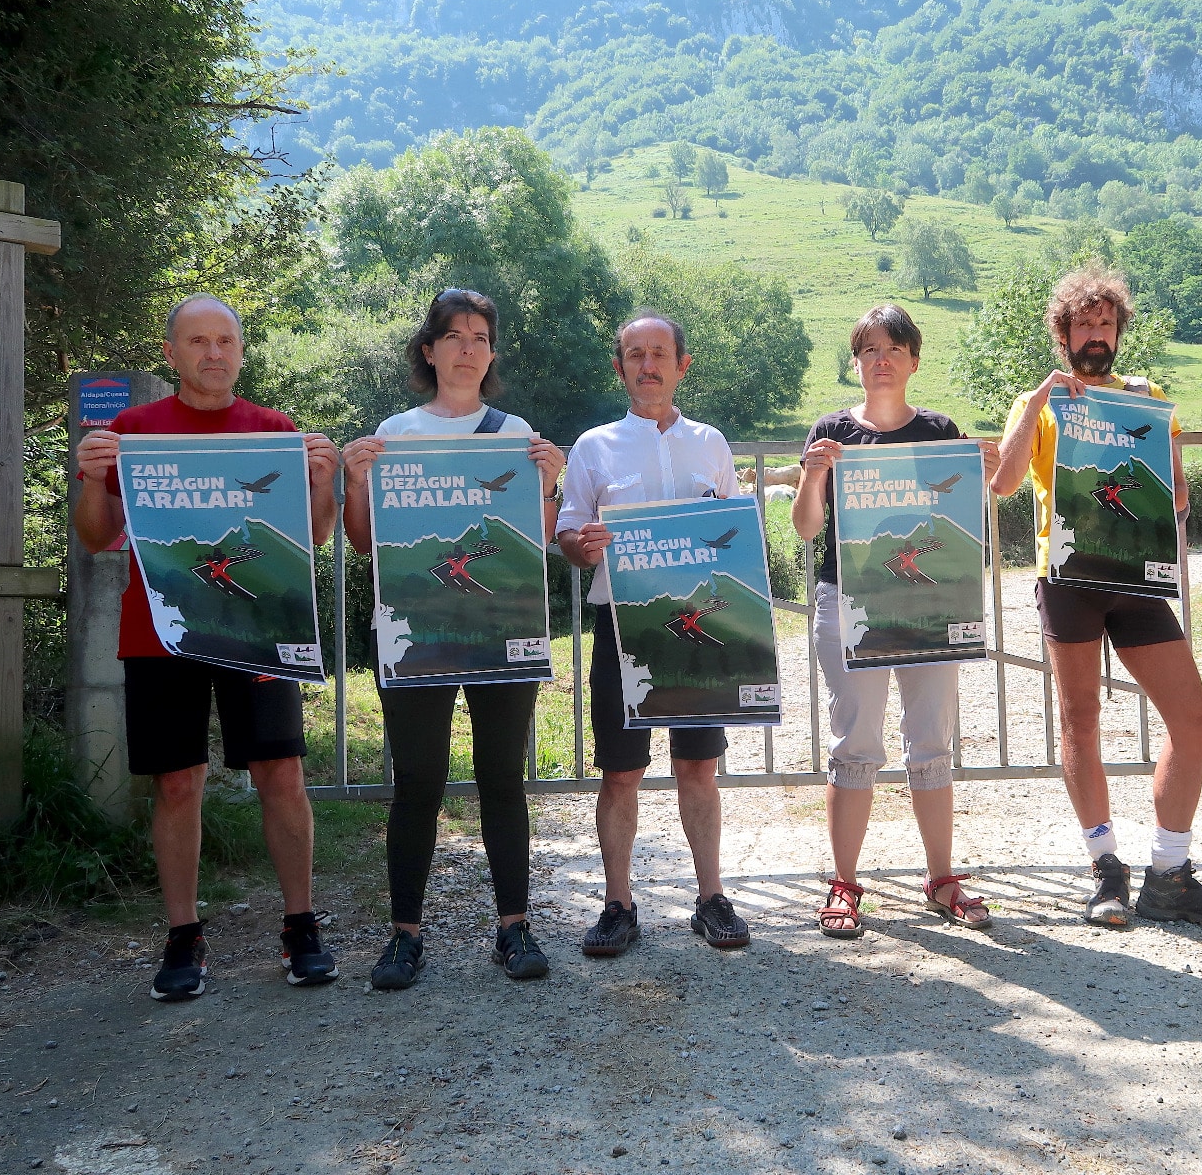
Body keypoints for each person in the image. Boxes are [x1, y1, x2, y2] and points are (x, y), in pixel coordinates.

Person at [74, 293, 342, 1001]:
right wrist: (92, 474)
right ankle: (183, 935)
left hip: (257, 631)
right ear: (172, 353)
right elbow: (97, 536)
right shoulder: (132, 429)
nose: (213, 353)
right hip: (160, 630)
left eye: (225, 340)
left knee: (280, 773)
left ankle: (300, 925)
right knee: (175, 781)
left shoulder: (273, 429)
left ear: (241, 351)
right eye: (197, 341)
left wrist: (322, 482)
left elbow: (312, 536)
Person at [991, 264, 1202, 929]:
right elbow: (1003, 482)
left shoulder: (1147, 395)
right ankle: (1105, 867)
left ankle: (1170, 873)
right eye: (1085, 322)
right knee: (1081, 720)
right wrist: (1040, 403)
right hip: (1070, 576)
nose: (1097, 333)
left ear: (1118, 330)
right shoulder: (1039, 399)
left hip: (1136, 576)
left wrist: (1170, 478)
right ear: (1064, 331)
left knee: (1194, 717)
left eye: (1107, 322)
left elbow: (1177, 495)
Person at [342, 289, 568, 990]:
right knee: (417, 783)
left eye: (480, 336)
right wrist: (355, 481)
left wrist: (552, 484)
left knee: (503, 779)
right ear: (429, 349)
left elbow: (539, 538)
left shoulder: (515, 432)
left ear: (491, 353)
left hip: (500, 630)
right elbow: (363, 542)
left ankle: (514, 928)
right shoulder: (395, 432)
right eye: (454, 335)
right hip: (416, 631)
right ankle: (404, 937)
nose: (468, 347)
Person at [793, 304, 1002, 937]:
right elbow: (806, 529)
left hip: (927, 608)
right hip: (849, 601)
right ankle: (844, 883)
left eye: (894, 349)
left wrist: (985, 473)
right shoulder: (832, 430)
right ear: (856, 361)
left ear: (913, 360)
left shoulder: (939, 429)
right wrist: (812, 474)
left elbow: (964, 512)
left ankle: (942, 878)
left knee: (931, 739)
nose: (881, 360)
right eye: (869, 350)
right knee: (855, 742)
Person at [556, 310, 750, 955]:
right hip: (622, 628)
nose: (648, 365)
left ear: (680, 365)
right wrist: (582, 547)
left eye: (660, 353)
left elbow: (731, 534)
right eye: (635, 354)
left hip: (697, 630)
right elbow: (569, 536)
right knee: (620, 773)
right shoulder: (593, 446)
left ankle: (711, 899)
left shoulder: (712, 444)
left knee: (699, 767)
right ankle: (618, 905)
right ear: (620, 368)